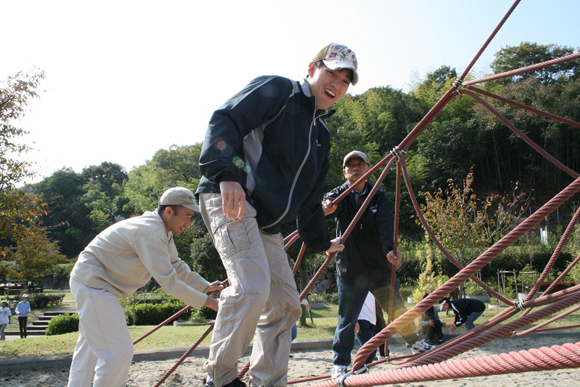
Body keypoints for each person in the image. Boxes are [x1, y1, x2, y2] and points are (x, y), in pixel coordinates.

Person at [196, 42, 358, 387]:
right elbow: (225, 119)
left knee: (286, 306)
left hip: (266, 223)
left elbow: (311, 197)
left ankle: (268, 381)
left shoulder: (321, 136)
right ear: (312, 68)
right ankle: (220, 378)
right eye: (331, 72)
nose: (336, 84)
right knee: (252, 288)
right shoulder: (279, 90)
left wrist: (320, 241)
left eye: (345, 80)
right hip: (230, 198)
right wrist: (227, 175)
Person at [67, 187, 224, 387]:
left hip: (95, 283)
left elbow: (176, 265)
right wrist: (211, 303)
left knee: (90, 347)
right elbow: (169, 282)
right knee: (117, 351)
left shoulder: (161, 230)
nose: (188, 222)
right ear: (168, 211)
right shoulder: (150, 232)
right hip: (93, 284)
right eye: (186, 216)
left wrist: (205, 287)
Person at [323, 150, 422, 379]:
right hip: (351, 268)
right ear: (344, 171)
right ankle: (340, 362)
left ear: (368, 169)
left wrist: (389, 251)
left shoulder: (378, 196)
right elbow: (326, 205)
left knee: (395, 307)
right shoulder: (339, 195)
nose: (355, 168)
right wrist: (325, 207)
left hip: (378, 266)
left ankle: (415, 344)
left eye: (360, 164)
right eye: (351, 165)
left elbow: (386, 225)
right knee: (347, 319)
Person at [354, 292, 378, 366]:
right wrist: (355, 321)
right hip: (361, 318)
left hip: (371, 319)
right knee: (370, 350)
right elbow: (349, 301)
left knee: (367, 350)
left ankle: (362, 370)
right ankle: (360, 370)